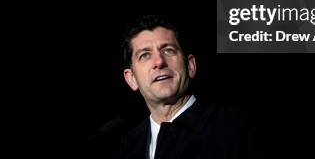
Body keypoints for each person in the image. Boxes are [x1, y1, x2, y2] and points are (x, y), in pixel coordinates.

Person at [106, 15, 255, 159]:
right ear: (131, 79)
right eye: (144, 55)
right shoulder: (120, 148)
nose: (159, 62)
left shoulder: (240, 128)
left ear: (190, 66)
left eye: (168, 50)